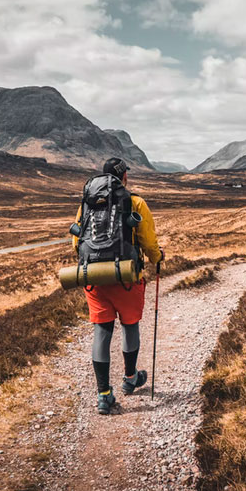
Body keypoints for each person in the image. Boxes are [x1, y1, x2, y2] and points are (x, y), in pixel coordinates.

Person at [72, 157, 163, 414]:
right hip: (126, 277)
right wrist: (157, 258)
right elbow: (147, 240)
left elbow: (76, 243)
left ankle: (103, 395)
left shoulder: (87, 203)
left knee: (102, 331)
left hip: (95, 278)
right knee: (130, 325)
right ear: (123, 177)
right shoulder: (136, 202)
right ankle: (130, 378)